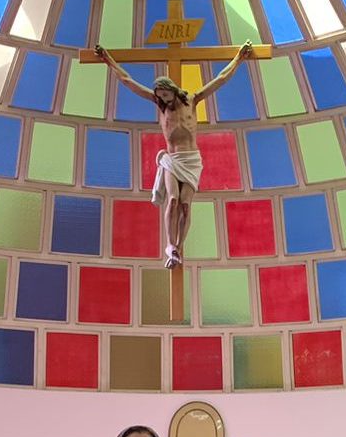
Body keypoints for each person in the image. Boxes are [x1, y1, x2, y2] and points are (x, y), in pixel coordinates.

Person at [96, 43, 255, 268]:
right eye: (160, 96)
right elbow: (128, 81)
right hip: (172, 159)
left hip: (191, 160)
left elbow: (219, 79)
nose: (164, 100)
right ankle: (170, 247)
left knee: (186, 205)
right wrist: (107, 59)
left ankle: (179, 247)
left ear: (173, 90)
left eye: (166, 95)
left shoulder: (192, 99)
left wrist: (239, 58)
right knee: (172, 199)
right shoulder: (160, 106)